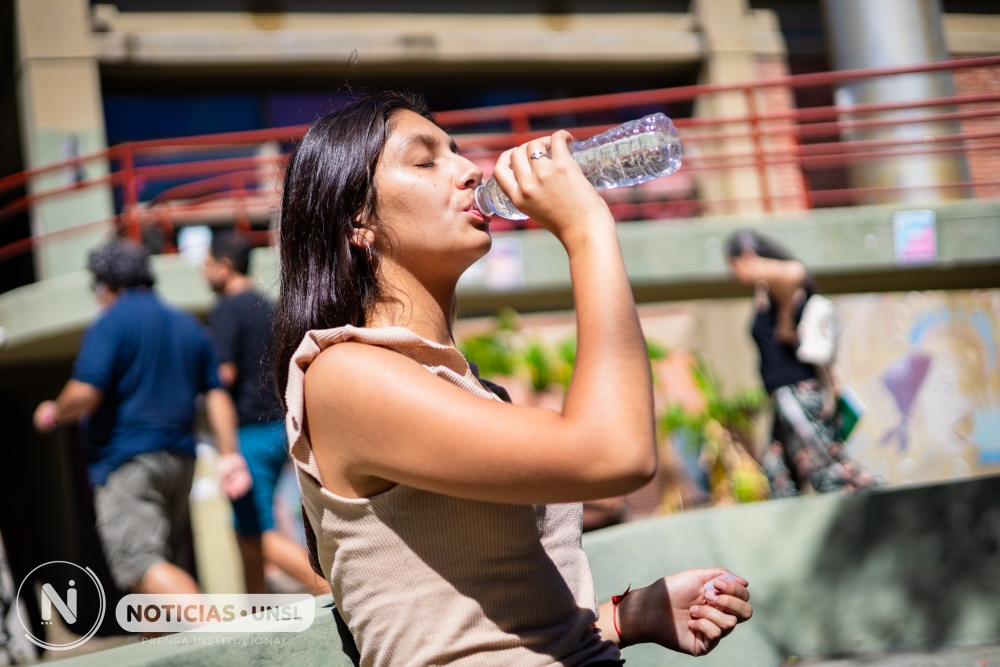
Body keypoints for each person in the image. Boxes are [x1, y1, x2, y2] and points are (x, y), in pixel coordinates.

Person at [270, 91, 753, 666]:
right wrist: (587, 229)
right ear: (360, 220)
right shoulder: (346, 375)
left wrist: (625, 617)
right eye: (425, 161)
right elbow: (614, 455)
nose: (470, 170)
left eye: (457, 152)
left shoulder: (471, 389)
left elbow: (478, 620)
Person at [33, 239, 251, 596]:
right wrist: (228, 452)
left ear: (106, 283)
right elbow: (216, 394)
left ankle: (223, 637)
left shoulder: (111, 322)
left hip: (130, 462)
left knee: (142, 568)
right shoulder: (187, 325)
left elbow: (85, 392)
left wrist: (54, 413)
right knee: (157, 572)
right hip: (181, 461)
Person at [203, 230, 329, 595]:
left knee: (256, 532)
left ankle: (328, 591)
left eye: (208, 265)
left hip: (250, 435)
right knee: (247, 531)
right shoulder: (267, 306)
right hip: (280, 428)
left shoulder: (227, 308)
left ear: (223, 267)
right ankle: (255, 614)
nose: (204, 273)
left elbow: (222, 375)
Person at [726, 229, 877, 498]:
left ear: (747, 257)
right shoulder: (766, 291)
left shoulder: (782, 284)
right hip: (781, 398)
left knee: (827, 468)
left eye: (734, 267)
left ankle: (878, 502)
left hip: (796, 392)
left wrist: (784, 316)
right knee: (778, 475)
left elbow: (795, 271)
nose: (734, 276)